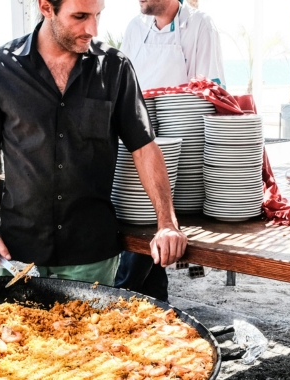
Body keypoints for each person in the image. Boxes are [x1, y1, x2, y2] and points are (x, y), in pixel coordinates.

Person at [0, 0, 188, 286]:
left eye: (97, 16)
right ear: (46, 8)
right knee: (13, 332)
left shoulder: (115, 68)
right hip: (16, 251)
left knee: (92, 332)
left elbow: (144, 149)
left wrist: (167, 223)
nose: (91, 28)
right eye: (79, 16)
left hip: (91, 253)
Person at [114, 0, 225, 301]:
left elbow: (208, 91)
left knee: (152, 229)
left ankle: (124, 298)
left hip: (182, 147)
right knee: (141, 226)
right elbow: (124, 84)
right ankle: (153, 306)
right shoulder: (135, 27)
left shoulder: (200, 24)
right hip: (140, 144)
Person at [120, 0, 225, 90]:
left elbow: (211, 92)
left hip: (185, 113)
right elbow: (122, 85)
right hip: (139, 113)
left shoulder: (201, 25)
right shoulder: (135, 27)